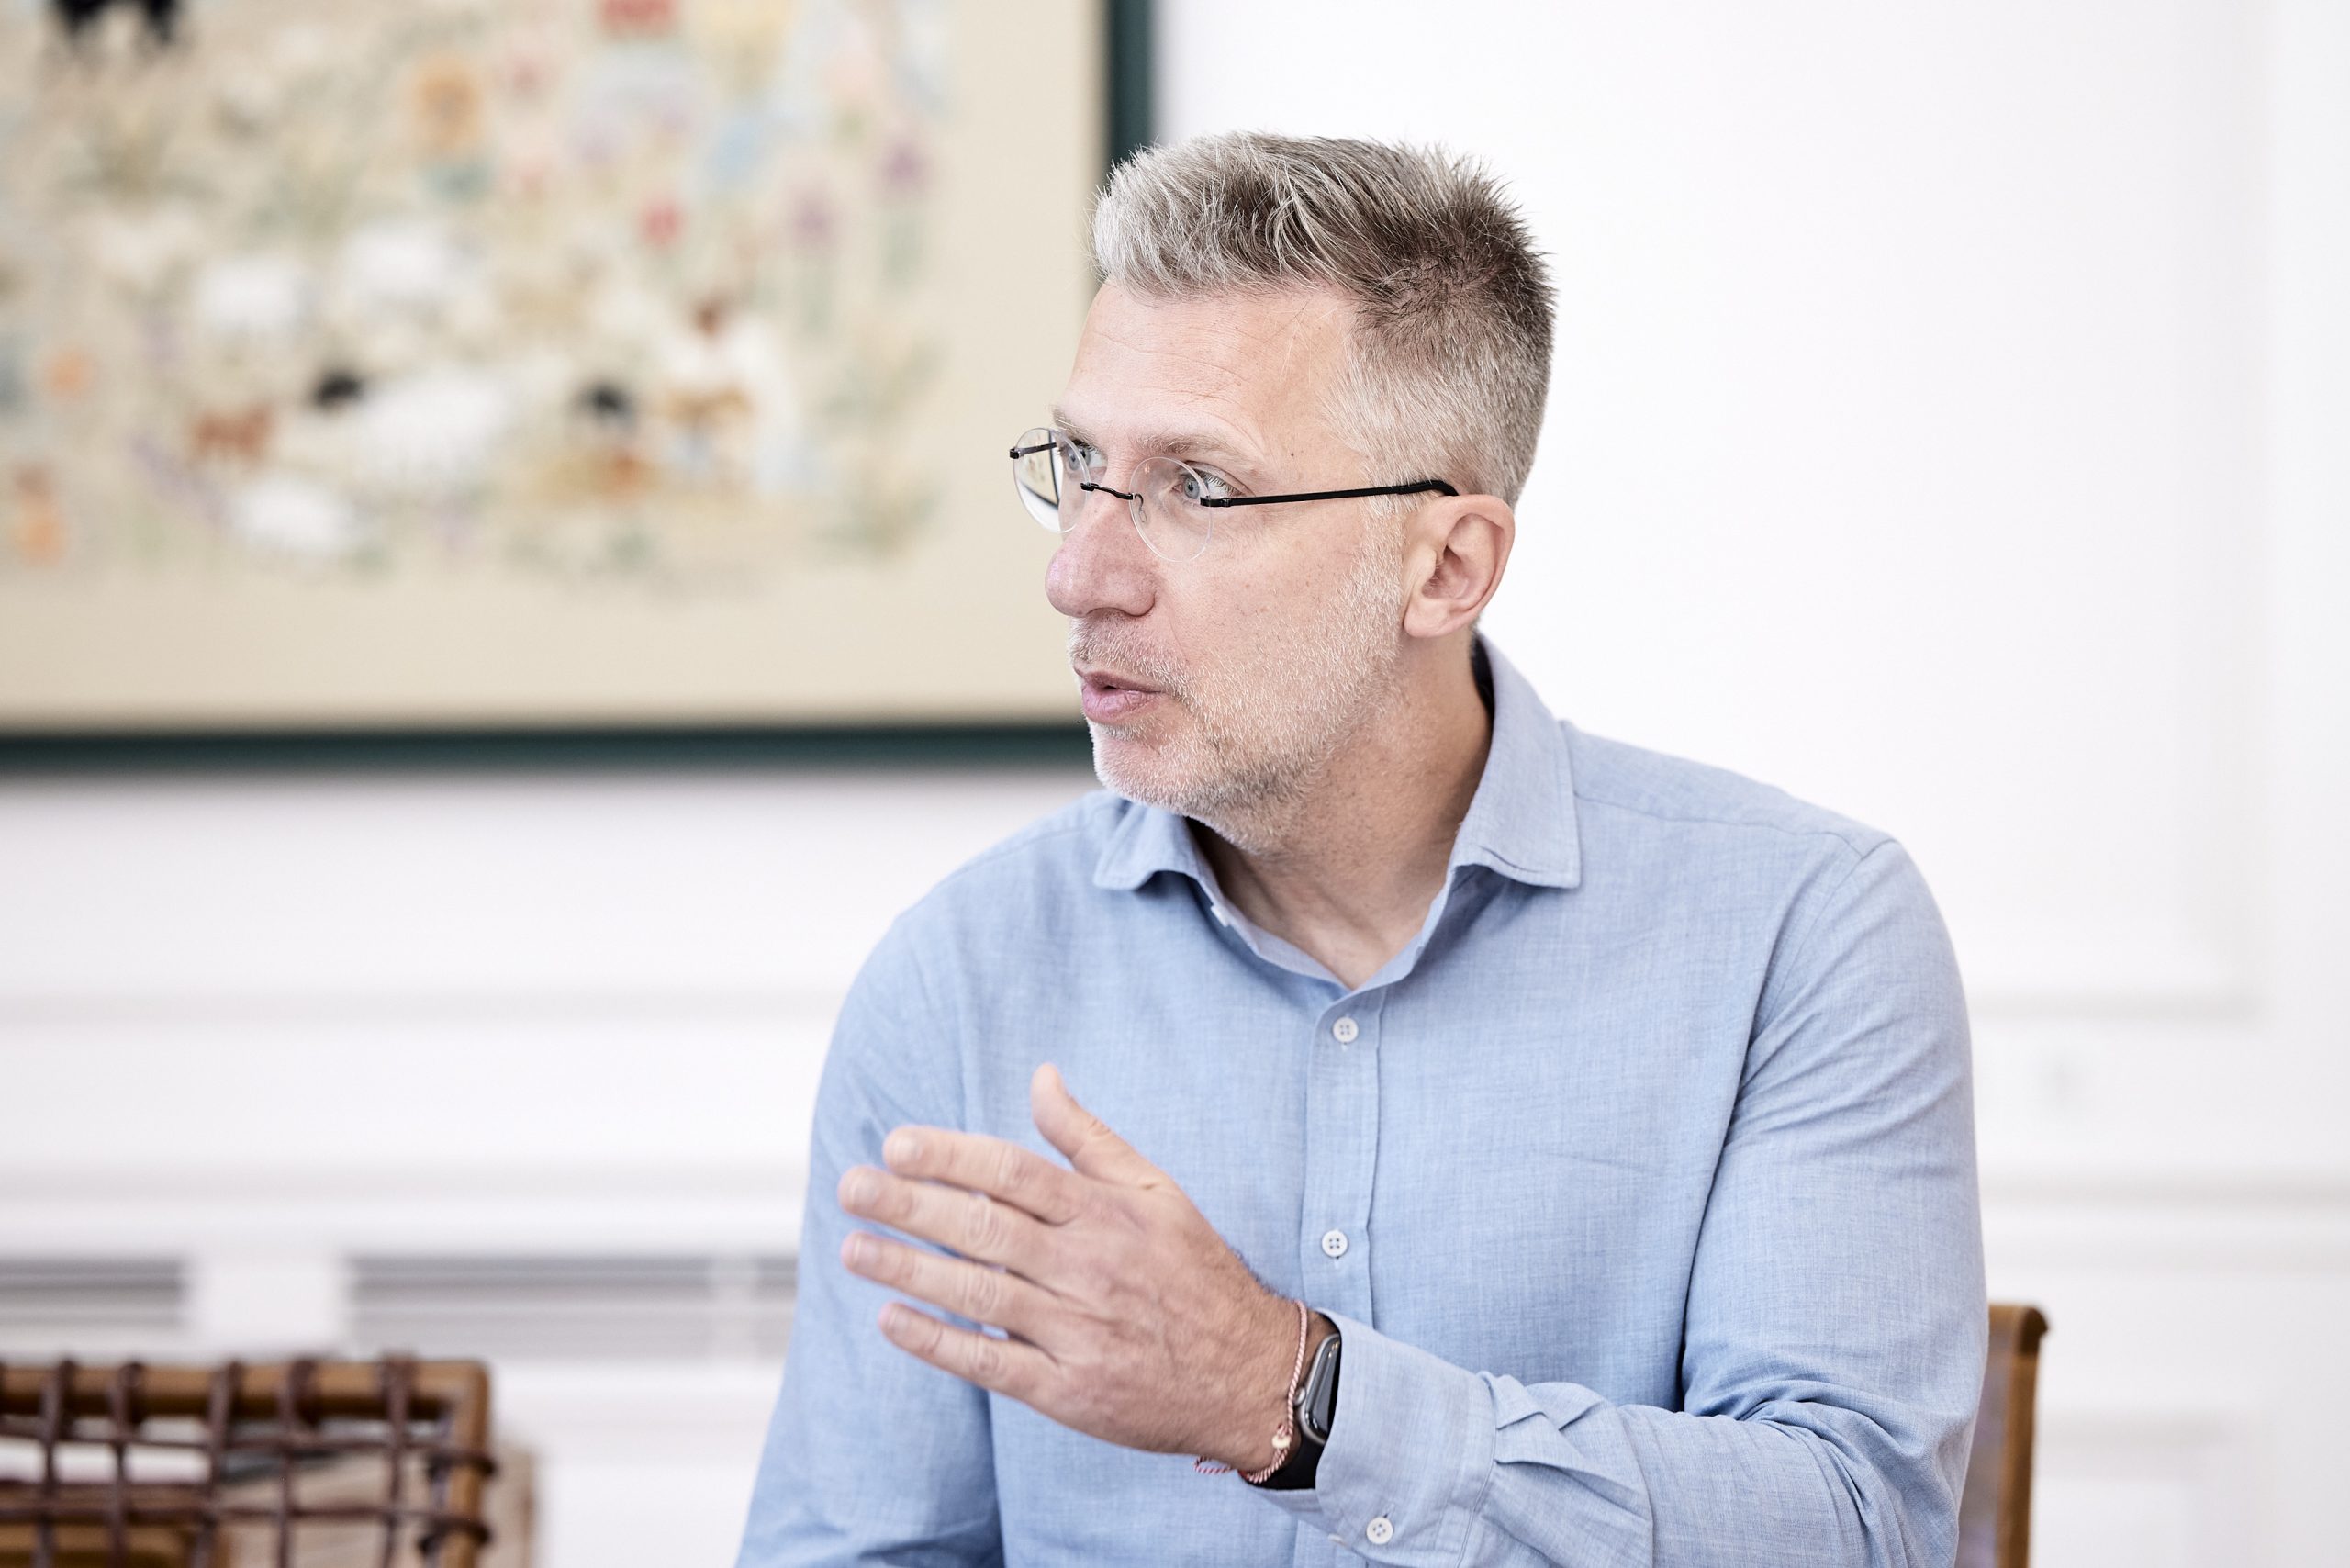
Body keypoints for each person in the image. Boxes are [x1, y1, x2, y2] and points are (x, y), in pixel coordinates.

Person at [735, 131, 1986, 1567]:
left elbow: (1854, 1527)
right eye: (1079, 465)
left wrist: (1287, 1393)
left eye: (1200, 487)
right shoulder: (959, 978)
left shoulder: (1803, 935)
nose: (1078, 572)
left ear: (1445, 567)